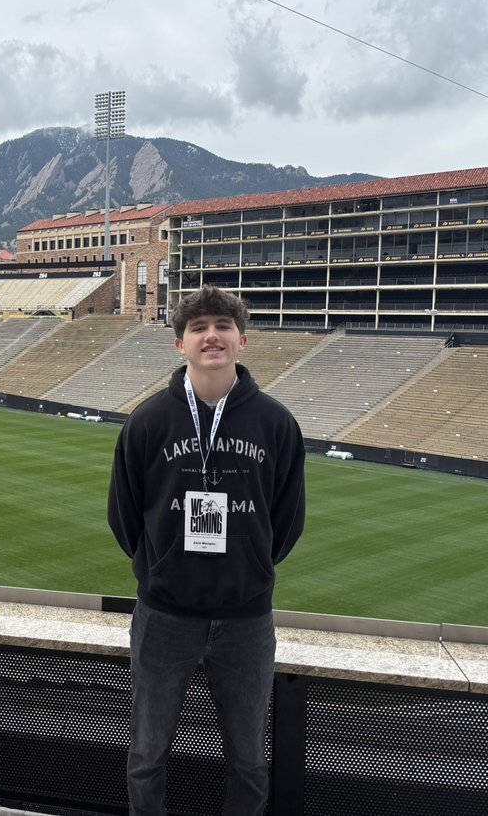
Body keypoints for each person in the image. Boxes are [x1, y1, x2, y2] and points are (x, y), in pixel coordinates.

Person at [108, 285, 305, 816]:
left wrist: (252, 565)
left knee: (248, 759)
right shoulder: (148, 421)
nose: (210, 336)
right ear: (180, 345)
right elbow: (124, 515)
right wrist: (161, 569)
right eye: (198, 328)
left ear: (242, 339)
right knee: (147, 753)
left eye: (221, 326)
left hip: (245, 619)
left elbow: (287, 518)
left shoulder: (275, 422)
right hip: (165, 614)